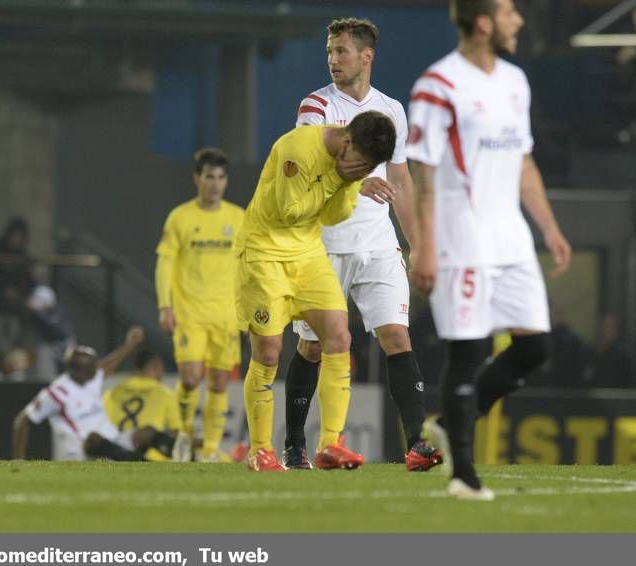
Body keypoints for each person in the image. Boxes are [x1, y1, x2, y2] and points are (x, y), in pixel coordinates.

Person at [407, 0, 572, 500]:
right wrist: (426, 247)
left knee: (535, 345)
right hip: (464, 236)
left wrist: (549, 228)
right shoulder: (438, 85)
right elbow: (424, 175)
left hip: (512, 237)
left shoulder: (515, 82)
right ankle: (463, 475)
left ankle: (452, 420)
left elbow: (524, 165)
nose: (518, 20)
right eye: (509, 12)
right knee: (470, 350)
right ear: (484, 23)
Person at [284, 17, 442, 472]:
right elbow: (312, 163)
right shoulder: (315, 106)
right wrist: (357, 183)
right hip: (325, 242)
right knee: (314, 347)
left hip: (377, 242)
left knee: (397, 336)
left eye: (342, 51)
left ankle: (417, 444)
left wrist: (415, 246)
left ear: (366, 56)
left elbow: (401, 180)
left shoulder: (391, 108)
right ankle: (295, 445)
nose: (333, 60)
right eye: (330, 52)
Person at [237, 111, 396, 471]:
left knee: (339, 337)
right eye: (362, 164)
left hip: (307, 254)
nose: (362, 170)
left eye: (369, 168)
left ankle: (329, 445)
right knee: (268, 350)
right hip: (264, 253)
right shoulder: (299, 149)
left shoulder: (351, 166)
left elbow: (333, 215)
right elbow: (291, 211)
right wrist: (337, 179)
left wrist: (346, 183)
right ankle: (260, 451)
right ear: (348, 140)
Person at [155, 148, 245, 461]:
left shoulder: (237, 218)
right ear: (197, 179)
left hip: (226, 316)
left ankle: (208, 450)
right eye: (209, 176)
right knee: (191, 378)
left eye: (221, 177)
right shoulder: (180, 217)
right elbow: (165, 264)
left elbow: (248, 264)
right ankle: (182, 433)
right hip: (189, 314)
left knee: (219, 383)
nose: (215, 183)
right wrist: (165, 306)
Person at [12, 326, 191, 462]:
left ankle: (191, 459)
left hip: (113, 442)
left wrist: (129, 345)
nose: (97, 371)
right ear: (80, 371)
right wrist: (19, 460)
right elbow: (22, 421)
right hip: (83, 452)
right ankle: (142, 464)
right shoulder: (56, 393)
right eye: (92, 368)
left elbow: (107, 366)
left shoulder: (88, 378)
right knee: (94, 438)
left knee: (148, 431)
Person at [104, 349, 187, 461]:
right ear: (157, 367)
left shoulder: (111, 393)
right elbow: (177, 434)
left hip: (116, 455)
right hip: (150, 459)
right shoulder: (164, 394)